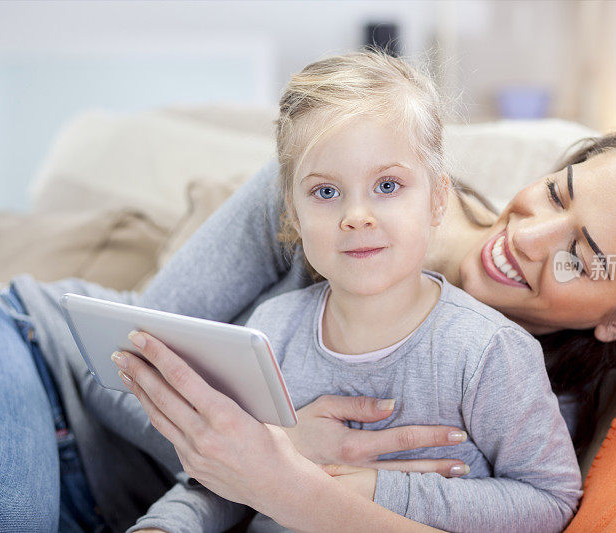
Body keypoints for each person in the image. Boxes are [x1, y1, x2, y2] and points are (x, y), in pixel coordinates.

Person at [0, 51, 616, 531]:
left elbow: (522, 508)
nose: (527, 235)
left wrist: (288, 476)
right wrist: (277, 448)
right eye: (560, 191)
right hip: (31, 362)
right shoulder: (337, 179)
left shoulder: (517, 389)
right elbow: (114, 356)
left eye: (582, 256)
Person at [103, 50, 581, 533]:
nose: (357, 215)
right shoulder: (271, 329)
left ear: (438, 199)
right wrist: (164, 526)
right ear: (292, 213)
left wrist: (377, 490)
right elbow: (228, 477)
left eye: (388, 185)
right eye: (326, 192)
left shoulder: (490, 352)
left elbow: (549, 501)